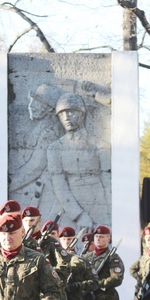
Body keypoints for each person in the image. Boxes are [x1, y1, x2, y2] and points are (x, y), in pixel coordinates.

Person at [46, 93, 111, 229]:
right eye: (62, 114)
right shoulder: (54, 148)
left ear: (82, 114)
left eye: (71, 112)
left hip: (98, 203)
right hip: (69, 206)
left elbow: (108, 180)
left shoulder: (100, 145)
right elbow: (59, 184)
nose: (66, 118)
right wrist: (78, 215)